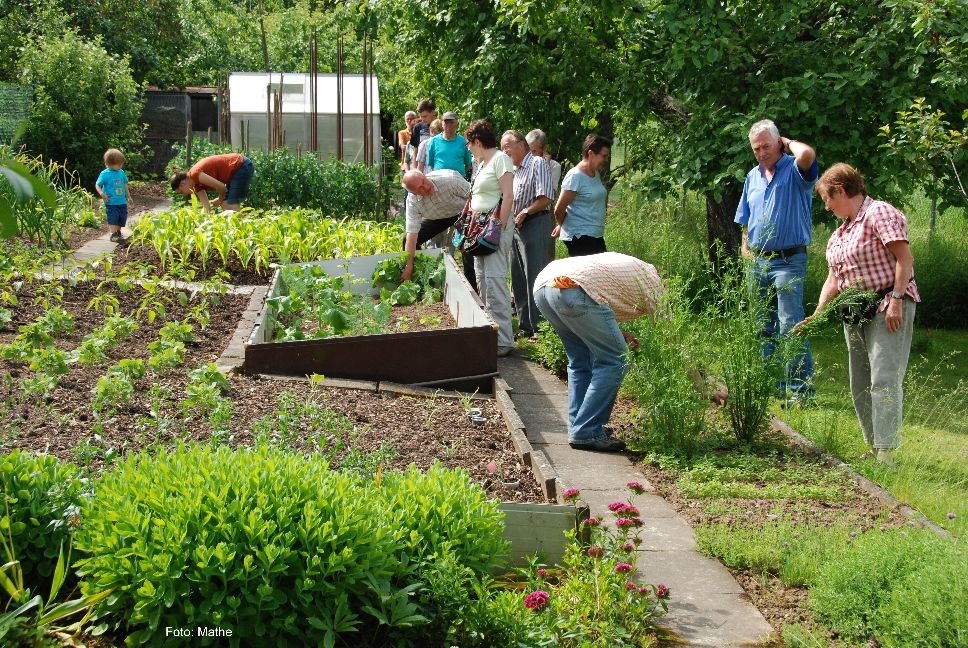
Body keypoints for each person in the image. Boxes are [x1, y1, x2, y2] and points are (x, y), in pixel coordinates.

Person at [799, 163, 919, 465]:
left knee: (884, 378)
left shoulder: (879, 213)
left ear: (841, 190)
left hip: (886, 305)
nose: (826, 206)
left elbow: (904, 259)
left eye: (828, 199)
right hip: (855, 311)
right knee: (860, 382)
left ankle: (887, 452)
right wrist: (817, 314)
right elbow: (833, 280)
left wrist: (896, 300)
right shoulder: (840, 233)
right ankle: (874, 445)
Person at [533, 252, 665, 452]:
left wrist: (618, 333)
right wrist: (706, 385)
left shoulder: (632, 270)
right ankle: (587, 430)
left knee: (580, 360)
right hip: (575, 289)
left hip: (544, 287)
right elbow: (672, 339)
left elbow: (596, 310)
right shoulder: (652, 283)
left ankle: (580, 426)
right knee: (614, 360)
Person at [735, 119, 818, 404]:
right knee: (761, 327)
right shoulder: (752, 177)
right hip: (757, 262)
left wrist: (789, 142)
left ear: (778, 142)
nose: (761, 152)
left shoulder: (795, 170)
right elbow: (744, 220)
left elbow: (808, 155)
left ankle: (800, 390)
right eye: (756, 148)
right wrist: (745, 247)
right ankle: (772, 386)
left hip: (788, 261)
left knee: (790, 324)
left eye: (766, 146)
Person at [464, 119, 515, 357]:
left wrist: (498, 226)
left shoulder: (500, 159)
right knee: (483, 283)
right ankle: (490, 334)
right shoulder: (481, 163)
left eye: (469, 143)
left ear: (477, 141)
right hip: (479, 230)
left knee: (495, 282)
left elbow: (508, 195)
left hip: (494, 229)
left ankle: (504, 340)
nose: (468, 148)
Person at [501, 129, 553, 340]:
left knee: (535, 277)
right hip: (516, 228)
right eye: (502, 147)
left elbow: (546, 197)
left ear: (522, 145)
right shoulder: (514, 170)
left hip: (535, 223)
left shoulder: (536, 163)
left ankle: (540, 330)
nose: (505, 150)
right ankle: (525, 326)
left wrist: (525, 212)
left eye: (507, 146)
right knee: (518, 279)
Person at [400, 168, 470, 281]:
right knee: (407, 240)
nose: (426, 187)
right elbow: (412, 236)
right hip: (438, 218)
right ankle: (422, 276)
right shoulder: (412, 202)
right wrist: (408, 267)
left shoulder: (450, 179)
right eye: (420, 188)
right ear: (414, 193)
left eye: (424, 181)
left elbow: (474, 198)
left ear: (424, 175)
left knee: (468, 246)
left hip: (463, 213)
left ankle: (471, 289)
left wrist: (465, 226)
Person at [553, 134, 611, 256]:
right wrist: (563, 226)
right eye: (604, 156)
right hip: (580, 236)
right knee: (591, 274)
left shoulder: (595, 173)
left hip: (594, 234)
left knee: (600, 272)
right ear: (591, 153)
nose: (606, 160)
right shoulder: (575, 176)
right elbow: (558, 209)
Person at [170, 153, 254, 212]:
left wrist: (219, 198)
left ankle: (247, 231)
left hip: (240, 165)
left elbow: (221, 187)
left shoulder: (195, 174)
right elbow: (206, 207)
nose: (184, 194)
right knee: (225, 204)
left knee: (230, 204)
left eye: (181, 191)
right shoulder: (196, 185)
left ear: (182, 184)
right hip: (234, 172)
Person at [526, 129, 562, 264]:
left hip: (543, 214)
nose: (531, 156)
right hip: (524, 215)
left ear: (544, 148)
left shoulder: (553, 166)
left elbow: (549, 194)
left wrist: (544, 166)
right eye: (529, 151)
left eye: (534, 152)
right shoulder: (523, 165)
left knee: (545, 255)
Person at [95, 148, 132, 243]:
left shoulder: (121, 172)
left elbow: (125, 184)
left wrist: (128, 196)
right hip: (111, 202)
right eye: (119, 164)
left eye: (121, 164)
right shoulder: (104, 174)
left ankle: (118, 232)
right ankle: (113, 234)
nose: (121, 166)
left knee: (122, 217)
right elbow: (97, 185)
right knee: (113, 217)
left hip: (122, 201)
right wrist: (102, 194)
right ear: (110, 163)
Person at [427, 112, 473, 177]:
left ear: (457, 124)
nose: (448, 125)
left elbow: (468, 164)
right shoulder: (433, 141)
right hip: (439, 180)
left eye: (451, 122)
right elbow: (431, 164)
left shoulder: (463, 142)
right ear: (442, 124)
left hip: (458, 181)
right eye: (446, 122)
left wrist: (459, 176)